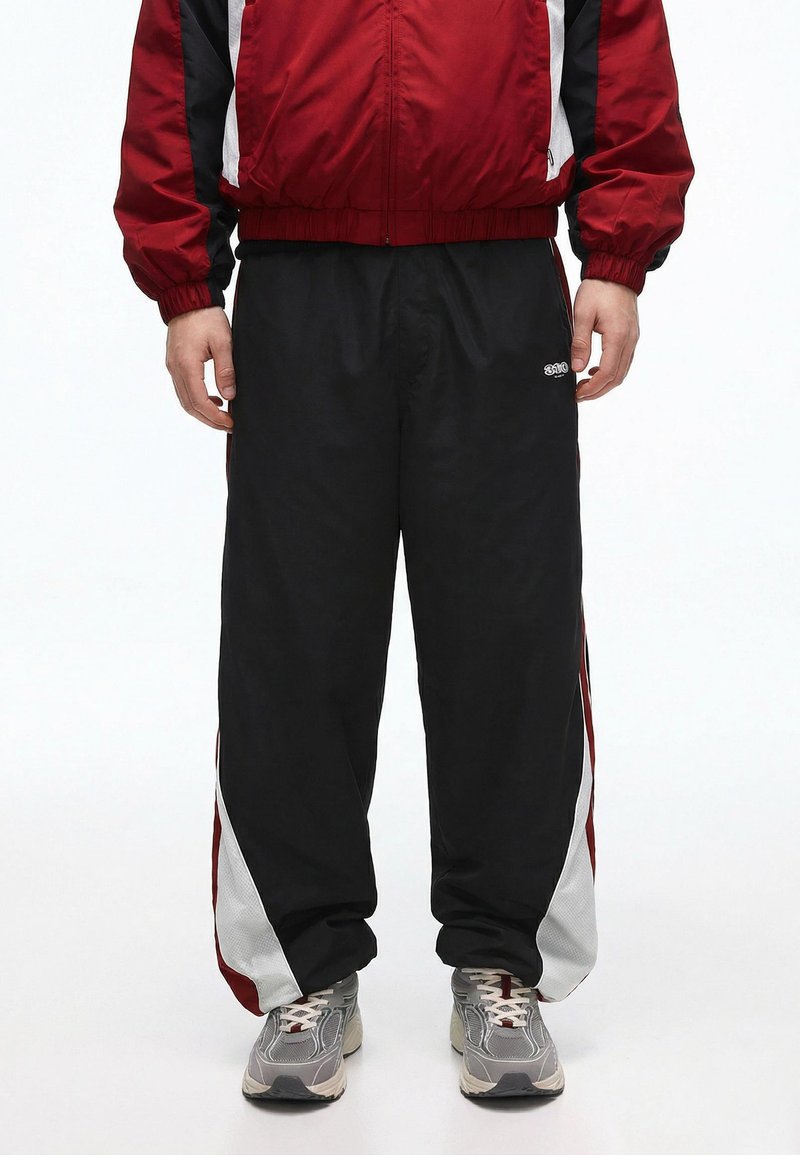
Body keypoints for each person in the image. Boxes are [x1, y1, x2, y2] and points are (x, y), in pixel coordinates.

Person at [114, 0, 693, 1102]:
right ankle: (304, 974)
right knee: (295, 633)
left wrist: (616, 257)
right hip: (298, 282)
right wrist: (184, 285)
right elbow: (176, 68)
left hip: (498, 277)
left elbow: (618, 48)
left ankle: (501, 964)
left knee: (508, 626)